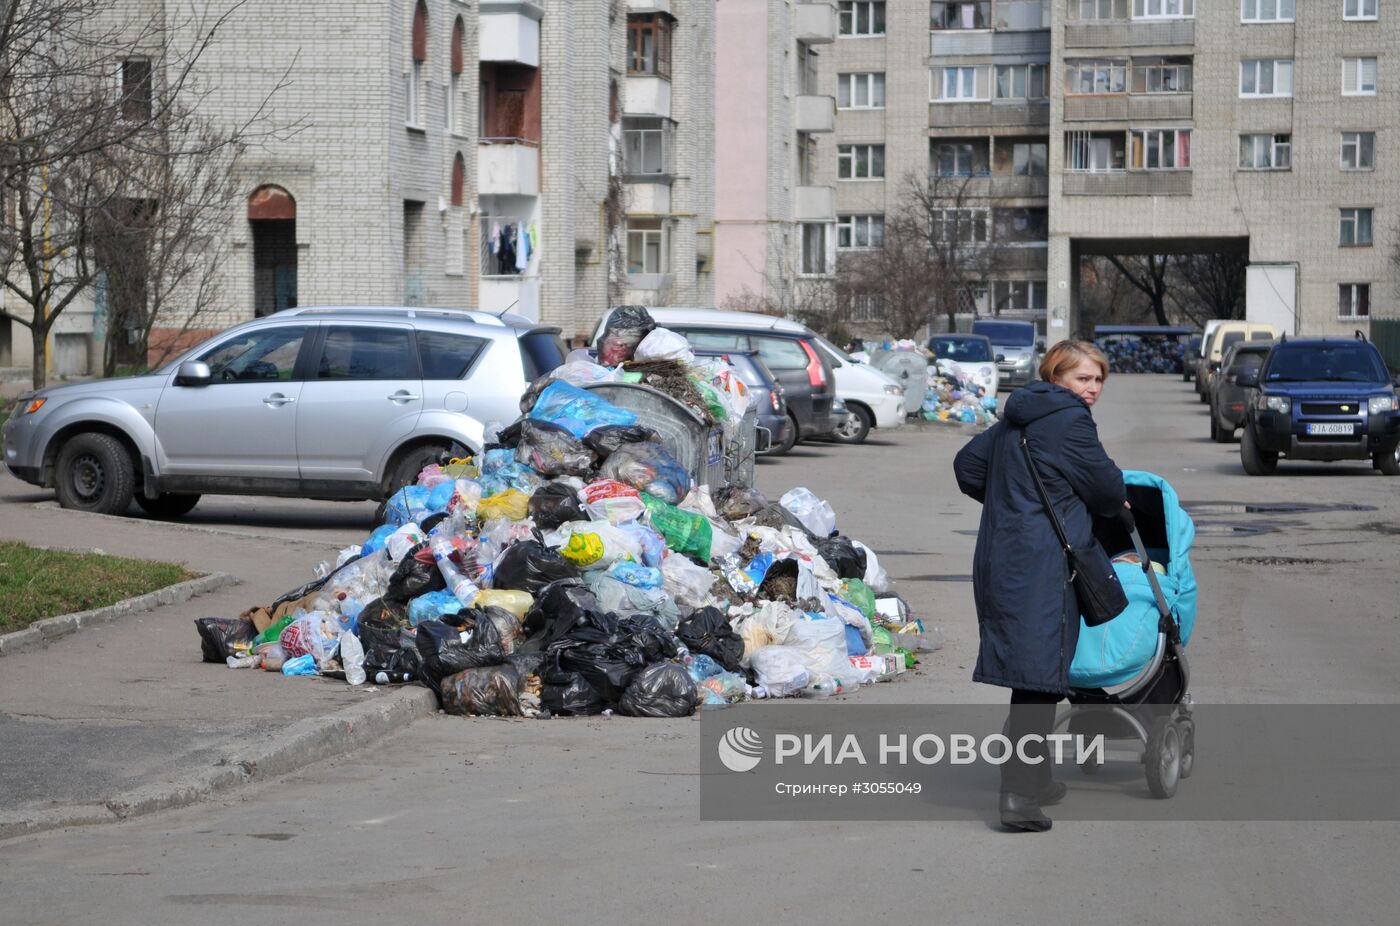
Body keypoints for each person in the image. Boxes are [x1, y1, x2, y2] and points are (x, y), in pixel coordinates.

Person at [952, 340, 1126, 832]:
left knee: (1037, 674)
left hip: (1003, 558)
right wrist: (1045, 505)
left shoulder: (1020, 415)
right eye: (1081, 379)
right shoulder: (1069, 419)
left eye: (1097, 380)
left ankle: (1039, 779)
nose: (1090, 389)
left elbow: (968, 467)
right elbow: (1108, 490)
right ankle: (1019, 799)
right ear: (1057, 378)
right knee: (1036, 682)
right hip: (1044, 564)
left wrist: (1015, 501)